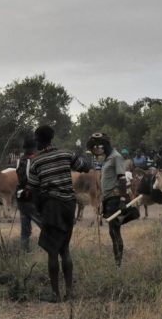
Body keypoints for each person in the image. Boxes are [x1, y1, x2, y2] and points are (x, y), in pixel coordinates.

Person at [27, 124, 90, 302]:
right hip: (69, 205)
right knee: (65, 249)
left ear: (39, 140)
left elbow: (32, 189)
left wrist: (35, 208)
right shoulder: (66, 154)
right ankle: (69, 293)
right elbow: (83, 167)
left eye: (36, 139)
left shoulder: (37, 162)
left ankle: (55, 294)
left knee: (52, 251)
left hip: (52, 206)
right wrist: (86, 155)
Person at [91, 133, 130, 266]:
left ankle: (118, 264)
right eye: (97, 145)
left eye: (100, 145)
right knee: (112, 232)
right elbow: (91, 148)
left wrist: (123, 200)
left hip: (114, 198)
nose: (98, 148)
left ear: (106, 145)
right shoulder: (106, 158)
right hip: (107, 198)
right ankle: (117, 263)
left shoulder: (116, 157)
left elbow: (122, 179)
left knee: (115, 231)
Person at [15, 135, 38, 253]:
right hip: (34, 198)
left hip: (22, 198)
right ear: (34, 148)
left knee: (25, 229)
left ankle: (24, 251)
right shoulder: (35, 160)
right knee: (45, 225)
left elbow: (19, 179)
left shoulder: (19, 160)